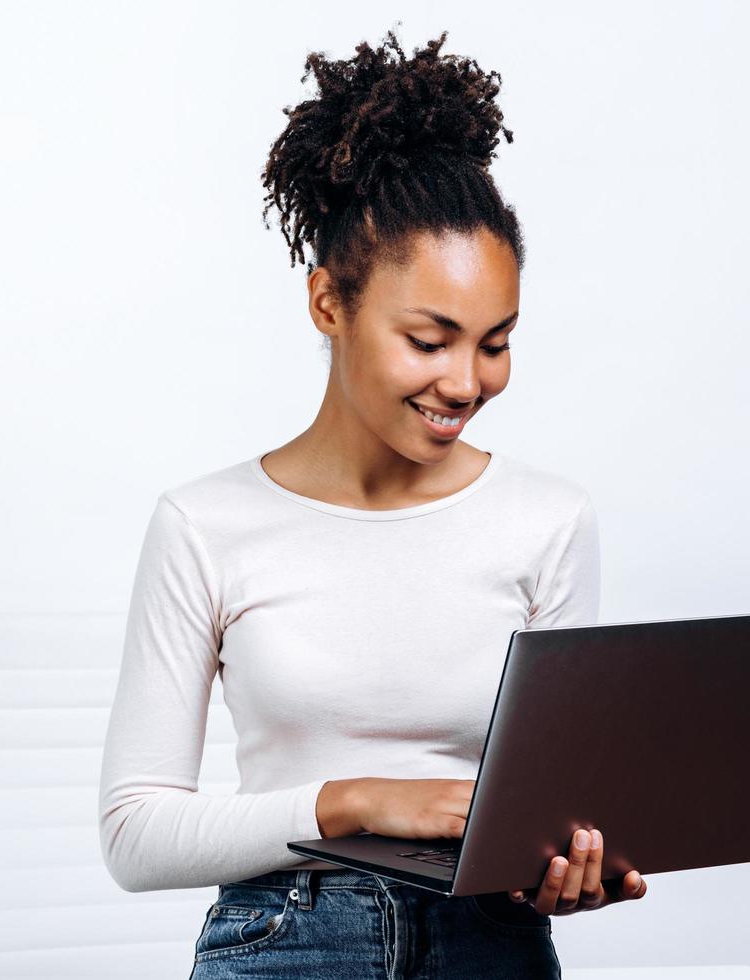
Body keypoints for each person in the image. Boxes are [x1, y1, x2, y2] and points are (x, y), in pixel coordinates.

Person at [98, 27, 647, 979]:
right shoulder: (203, 525)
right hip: (284, 933)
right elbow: (134, 833)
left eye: (495, 341)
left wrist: (573, 862)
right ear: (327, 304)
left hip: (491, 938)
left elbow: (554, 805)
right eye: (429, 339)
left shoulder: (549, 521)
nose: (467, 381)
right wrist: (354, 801)